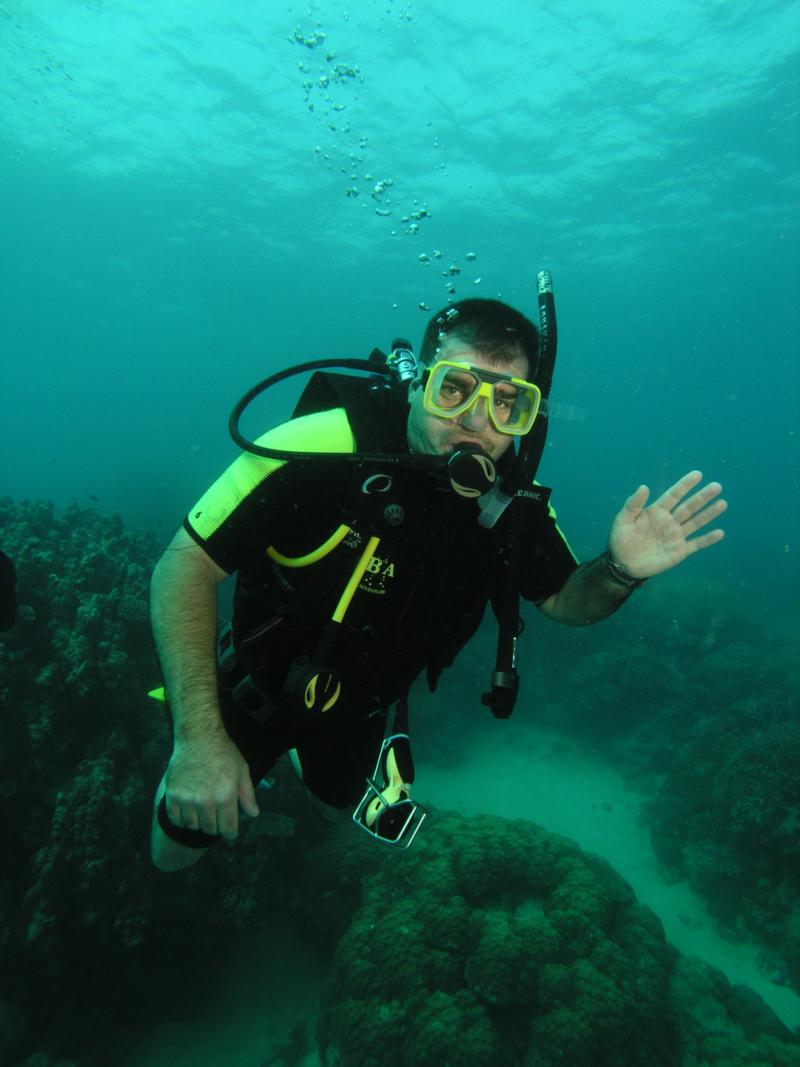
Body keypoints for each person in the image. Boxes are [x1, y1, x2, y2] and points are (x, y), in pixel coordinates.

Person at [150, 296, 726, 872]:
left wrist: (620, 569)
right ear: (416, 383)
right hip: (253, 693)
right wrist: (198, 742)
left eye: (508, 403)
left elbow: (566, 602)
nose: (479, 424)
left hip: (363, 712)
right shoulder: (317, 448)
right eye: (454, 390)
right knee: (172, 855)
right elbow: (184, 566)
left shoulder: (508, 504)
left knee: (332, 813)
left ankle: (310, 764)